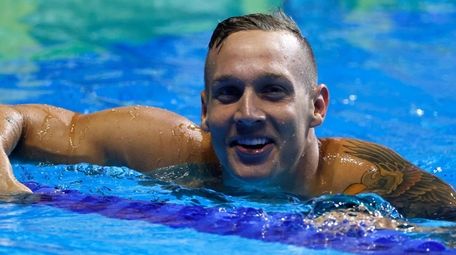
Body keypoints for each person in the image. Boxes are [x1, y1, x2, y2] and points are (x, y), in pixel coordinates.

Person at [0, 12, 455, 220]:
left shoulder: (366, 183)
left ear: (316, 107)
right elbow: (17, 117)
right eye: (229, 93)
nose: (248, 113)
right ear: (204, 110)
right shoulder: (165, 148)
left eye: (273, 91)